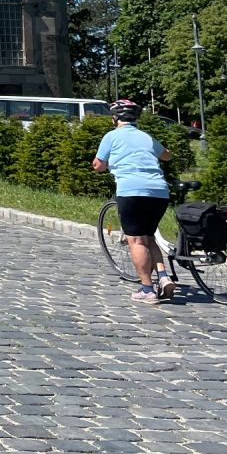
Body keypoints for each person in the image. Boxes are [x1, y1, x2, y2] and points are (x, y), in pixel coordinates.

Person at [92, 98, 174, 304]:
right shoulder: (146, 136)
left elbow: (98, 166)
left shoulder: (111, 136)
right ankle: (163, 278)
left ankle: (148, 289)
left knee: (136, 240)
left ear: (115, 119)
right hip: (159, 192)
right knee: (149, 236)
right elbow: (167, 156)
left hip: (131, 191)